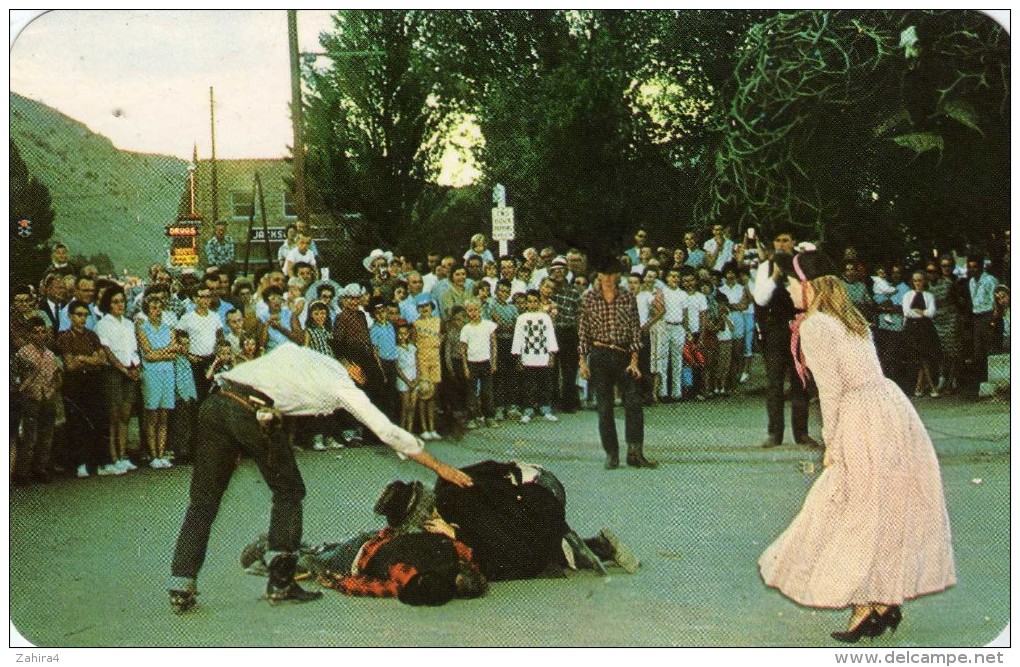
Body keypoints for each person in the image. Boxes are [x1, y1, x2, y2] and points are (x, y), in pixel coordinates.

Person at [166, 342, 474, 613]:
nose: (362, 383)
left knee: (203, 501)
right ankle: (282, 581)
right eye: (363, 375)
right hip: (252, 412)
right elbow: (386, 431)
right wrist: (439, 467)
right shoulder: (341, 384)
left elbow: (275, 375)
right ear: (353, 367)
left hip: (217, 404)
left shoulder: (307, 356)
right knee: (289, 491)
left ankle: (181, 582)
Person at [758, 249, 955, 643]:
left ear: (810, 285)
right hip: (890, 409)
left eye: (793, 282)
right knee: (881, 507)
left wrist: (833, 444)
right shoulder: (851, 318)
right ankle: (880, 602)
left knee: (855, 509)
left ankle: (869, 604)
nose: (790, 289)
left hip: (860, 418)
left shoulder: (816, 326)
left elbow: (830, 393)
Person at [578, 254, 655, 470]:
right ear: (599, 276)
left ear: (619, 276)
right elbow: (583, 332)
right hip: (600, 355)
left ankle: (635, 452)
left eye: (613, 274)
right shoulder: (588, 299)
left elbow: (635, 331)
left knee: (634, 403)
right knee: (604, 407)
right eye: (605, 275)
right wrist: (582, 362)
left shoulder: (627, 298)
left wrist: (634, 360)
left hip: (623, 356)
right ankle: (611, 453)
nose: (609, 279)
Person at [752, 231, 818, 448]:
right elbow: (761, 299)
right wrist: (775, 276)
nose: (781, 244)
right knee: (775, 384)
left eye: (785, 240)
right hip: (776, 329)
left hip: (799, 328)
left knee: (801, 382)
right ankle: (774, 434)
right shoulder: (765, 267)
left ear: (793, 242)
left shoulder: (802, 264)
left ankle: (801, 433)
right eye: (777, 240)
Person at [55, 299, 109, 478]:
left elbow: (101, 359)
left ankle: (98, 462)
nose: (82, 318)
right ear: (70, 316)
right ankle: (80, 463)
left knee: (96, 420)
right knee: (78, 423)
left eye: (85, 315)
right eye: (79, 315)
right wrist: (89, 358)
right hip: (75, 384)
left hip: (93, 381)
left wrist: (83, 359)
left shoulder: (92, 336)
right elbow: (70, 365)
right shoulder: (65, 337)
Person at [95, 285, 141, 474]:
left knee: (124, 415)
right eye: (115, 302)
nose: (119, 305)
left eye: (122, 301)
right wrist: (123, 369)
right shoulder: (103, 324)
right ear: (108, 304)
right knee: (113, 417)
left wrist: (136, 367)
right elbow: (107, 351)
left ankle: (123, 456)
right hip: (113, 373)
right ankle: (113, 457)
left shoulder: (129, 324)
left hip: (130, 372)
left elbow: (133, 350)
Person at [12, 316, 62, 485]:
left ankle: (40, 468)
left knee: (46, 435)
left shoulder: (49, 354)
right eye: (36, 332)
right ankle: (22, 472)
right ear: (29, 334)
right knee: (29, 436)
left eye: (43, 332)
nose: (40, 335)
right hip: (30, 397)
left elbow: (56, 376)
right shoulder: (23, 353)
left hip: (47, 395)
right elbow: (17, 378)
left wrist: (52, 390)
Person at [136, 294, 179, 470]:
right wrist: (164, 352)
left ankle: (161, 454)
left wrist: (158, 353)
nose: (157, 311)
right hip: (151, 374)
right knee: (152, 415)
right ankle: (153, 455)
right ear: (147, 310)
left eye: (160, 308)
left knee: (164, 415)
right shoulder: (142, 328)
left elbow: (174, 352)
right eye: (154, 308)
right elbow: (147, 354)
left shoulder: (169, 328)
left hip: (167, 373)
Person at [512, 289, 559, 424]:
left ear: (539, 302)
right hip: (527, 356)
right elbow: (518, 338)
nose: (532, 304)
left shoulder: (545, 317)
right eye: (529, 302)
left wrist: (551, 354)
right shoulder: (521, 318)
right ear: (526, 303)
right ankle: (528, 409)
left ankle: (545, 408)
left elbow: (550, 335)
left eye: (535, 302)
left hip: (543, 356)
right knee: (528, 384)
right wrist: (518, 357)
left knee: (545, 383)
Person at [459, 298, 499, 429]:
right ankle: (472, 418)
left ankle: (490, 417)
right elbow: (463, 349)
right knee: (472, 392)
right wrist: (465, 367)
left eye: (475, 309)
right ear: (466, 312)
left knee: (487, 391)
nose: (473, 313)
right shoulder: (466, 329)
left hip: (486, 362)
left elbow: (494, 344)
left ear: (480, 310)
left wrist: (493, 362)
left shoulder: (488, 325)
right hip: (472, 363)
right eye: (470, 310)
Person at [902, 271, 942, 398]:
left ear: (924, 281)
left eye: (920, 280)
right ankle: (931, 386)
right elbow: (907, 312)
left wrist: (920, 312)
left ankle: (919, 386)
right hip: (912, 329)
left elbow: (931, 313)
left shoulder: (929, 295)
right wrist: (922, 313)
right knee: (919, 357)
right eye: (915, 281)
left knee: (925, 357)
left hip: (925, 329)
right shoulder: (908, 295)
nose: (918, 283)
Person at [412, 295, 442, 440]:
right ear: (418, 309)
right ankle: (424, 429)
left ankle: (432, 428)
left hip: (435, 360)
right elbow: (413, 344)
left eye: (427, 306)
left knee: (433, 396)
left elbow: (441, 339)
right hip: (422, 360)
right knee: (423, 395)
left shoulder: (437, 321)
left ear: (431, 307)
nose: (424, 309)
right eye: (421, 307)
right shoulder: (416, 324)